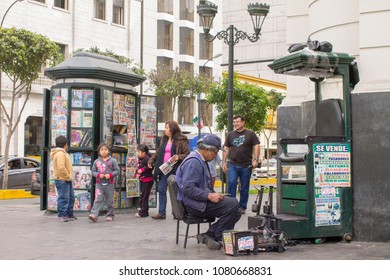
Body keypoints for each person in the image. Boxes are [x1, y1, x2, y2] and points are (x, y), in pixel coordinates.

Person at [176, 134, 241, 250]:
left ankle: (210, 235)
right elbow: (188, 188)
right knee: (233, 204)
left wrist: (213, 194)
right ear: (206, 149)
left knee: (236, 211)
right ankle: (216, 236)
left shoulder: (200, 159)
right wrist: (208, 196)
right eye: (215, 152)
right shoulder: (194, 162)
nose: (215, 155)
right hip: (194, 205)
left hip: (197, 201)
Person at [148, 120, 190, 219]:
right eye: (165, 128)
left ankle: (178, 213)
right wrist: (151, 160)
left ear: (173, 129)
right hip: (164, 168)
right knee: (162, 189)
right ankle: (161, 213)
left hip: (175, 169)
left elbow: (187, 154)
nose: (165, 130)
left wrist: (178, 157)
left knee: (175, 191)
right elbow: (158, 152)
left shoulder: (181, 140)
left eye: (167, 128)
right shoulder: (164, 139)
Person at [222, 114, 260, 215]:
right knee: (231, 183)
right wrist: (223, 162)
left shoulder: (251, 134)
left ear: (243, 122)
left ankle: (242, 206)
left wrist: (255, 159)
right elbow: (226, 148)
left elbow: (256, 146)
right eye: (234, 122)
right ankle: (231, 205)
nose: (235, 124)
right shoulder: (230, 135)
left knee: (244, 187)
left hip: (246, 165)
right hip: (233, 164)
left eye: (237, 122)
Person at [88, 142, 120, 222]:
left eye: (105, 149)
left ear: (108, 151)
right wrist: (98, 175)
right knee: (98, 199)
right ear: (99, 152)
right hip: (99, 184)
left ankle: (110, 214)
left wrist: (111, 175)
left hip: (110, 184)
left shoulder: (112, 161)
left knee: (110, 200)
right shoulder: (96, 162)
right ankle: (94, 214)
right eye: (102, 150)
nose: (104, 151)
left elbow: (117, 170)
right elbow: (93, 172)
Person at [50, 135, 76, 222]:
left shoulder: (62, 153)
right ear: (65, 144)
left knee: (71, 197)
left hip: (66, 179)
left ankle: (69, 214)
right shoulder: (60, 154)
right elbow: (61, 167)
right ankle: (62, 215)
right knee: (64, 197)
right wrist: (67, 176)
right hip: (62, 179)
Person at [135, 144, 154, 218]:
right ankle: (145, 211)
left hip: (147, 180)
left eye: (139, 152)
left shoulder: (147, 159)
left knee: (144, 197)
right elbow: (139, 168)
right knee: (143, 196)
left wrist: (142, 170)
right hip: (143, 180)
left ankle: (143, 212)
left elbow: (151, 167)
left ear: (144, 153)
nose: (138, 153)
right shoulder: (141, 159)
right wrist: (137, 173)